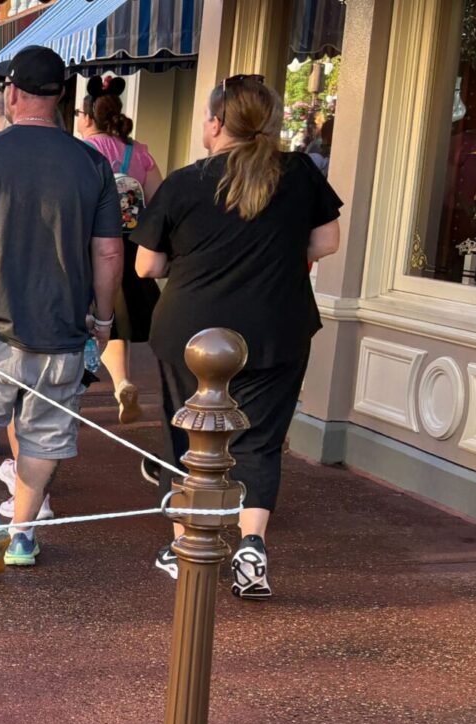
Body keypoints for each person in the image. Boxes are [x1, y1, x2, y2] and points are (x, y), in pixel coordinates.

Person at [133, 73, 343, 599]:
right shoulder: (298, 174)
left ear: (217, 123)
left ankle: (183, 545)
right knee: (260, 441)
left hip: (191, 330)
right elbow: (328, 240)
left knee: (186, 437)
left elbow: (146, 265)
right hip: (277, 325)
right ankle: (251, 544)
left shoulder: (184, 182)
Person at [0, 46, 123, 577]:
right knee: (44, 434)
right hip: (62, 329)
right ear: (60, 96)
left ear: (10, 95)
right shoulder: (92, 163)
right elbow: (108, 251)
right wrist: (103, 320)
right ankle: (21, 533)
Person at [76, 73, 164, 422]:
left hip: (88, 245)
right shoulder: (139, 152)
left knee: (88, 317)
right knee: (116, 319)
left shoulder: (82, 151)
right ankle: (121, 380)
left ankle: (78, 386)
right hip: (130, 247)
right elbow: (159, 201)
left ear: (86, 116)